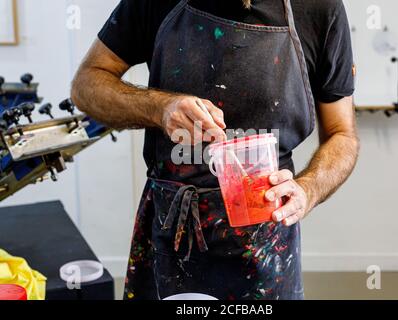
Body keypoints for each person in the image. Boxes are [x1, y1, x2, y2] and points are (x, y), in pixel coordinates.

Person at [71, 0, 360, 300]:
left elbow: (343, 135)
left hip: (265, 245)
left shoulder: (318, 9)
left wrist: (308, 189)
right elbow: (87, 84)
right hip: (172, 234)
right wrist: (159, 107)